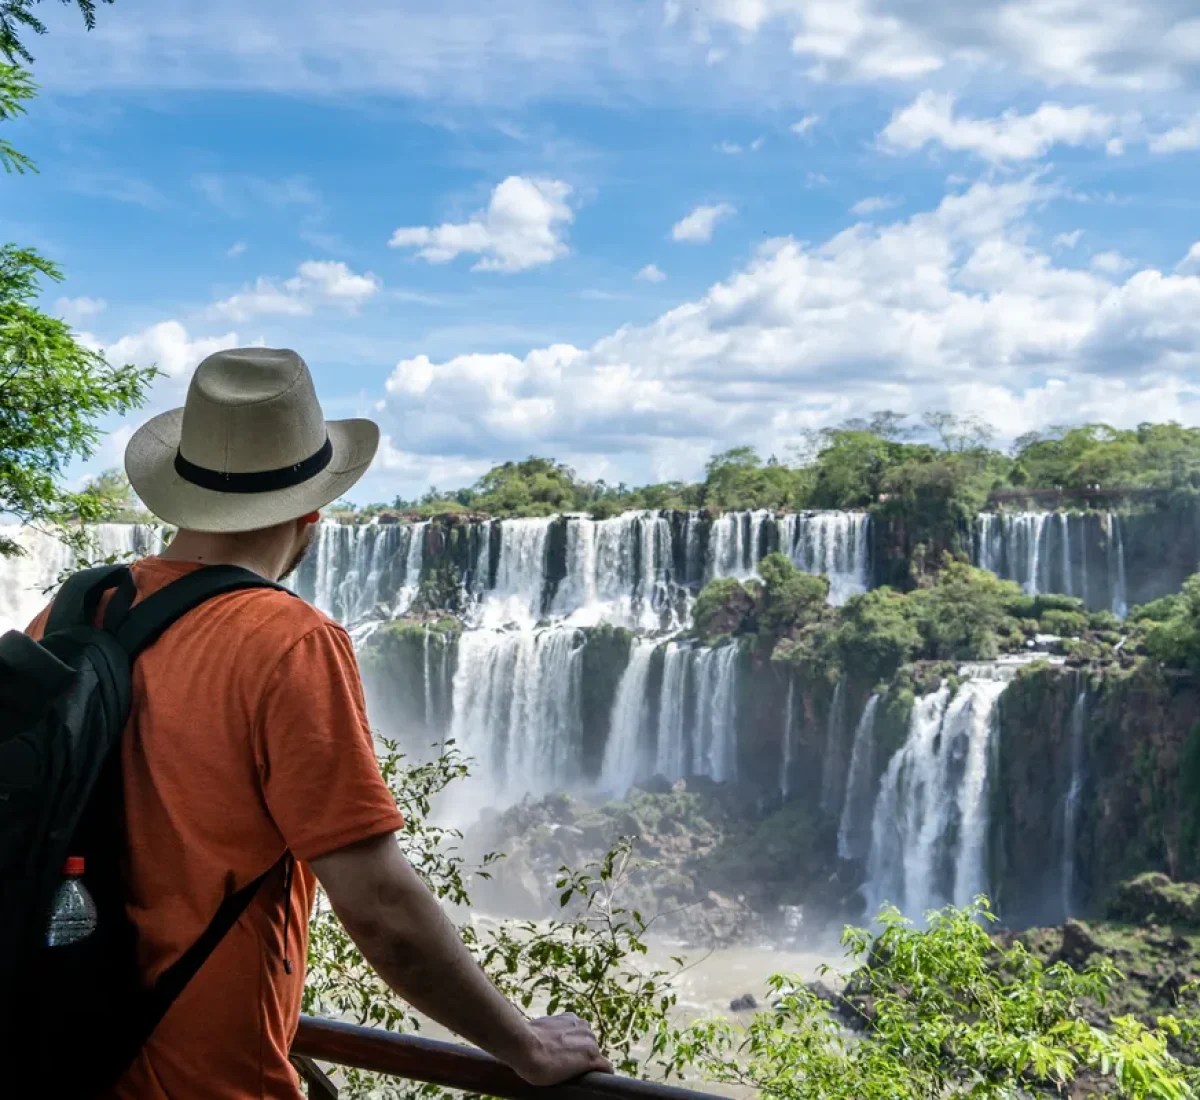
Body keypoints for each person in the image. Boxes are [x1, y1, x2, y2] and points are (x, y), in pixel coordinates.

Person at [26, 347, 612, 1100]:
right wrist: (525, 1044)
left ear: (181, 497)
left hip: (58, 1051)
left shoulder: (76, 613)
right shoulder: (289, 641)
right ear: (311, 511)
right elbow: (380, 909)